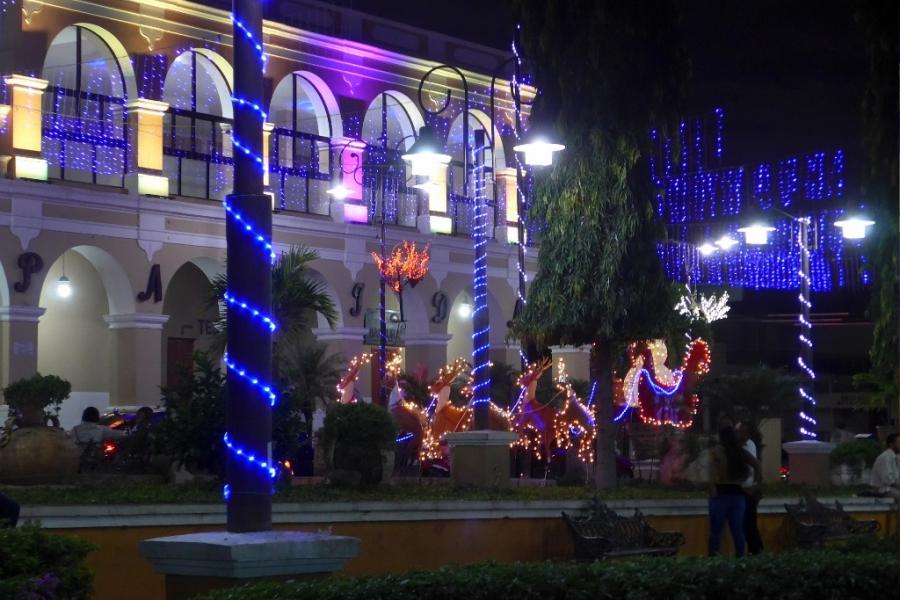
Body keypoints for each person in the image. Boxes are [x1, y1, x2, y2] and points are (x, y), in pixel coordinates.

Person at [708, 424, 760, 557]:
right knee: (737, 530)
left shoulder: (716, 452)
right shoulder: (739, 451)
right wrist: (755, 483)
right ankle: (740, 560)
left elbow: (711, 474)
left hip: (720, 495)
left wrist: (712, 489)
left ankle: (713, 561)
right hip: (738, 495)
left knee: (716, 532)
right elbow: (756, 464)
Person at [736, 422, 764, 554]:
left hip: (750, 490)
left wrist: (755, 486)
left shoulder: (751, 444)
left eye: (746, 432)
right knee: (745, 523)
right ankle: (754, 550)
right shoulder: (735, 448)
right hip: (739, 490)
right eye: (741, 432)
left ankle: (756, 550)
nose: (744, 435)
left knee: (750, 522)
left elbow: (756, 465)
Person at [870, 433, 900, 498]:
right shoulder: (885, 457)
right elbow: (888, 480)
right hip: (884, 490)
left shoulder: (895, 457)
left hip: (893, 489)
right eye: (899, 443)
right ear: (891, 444)